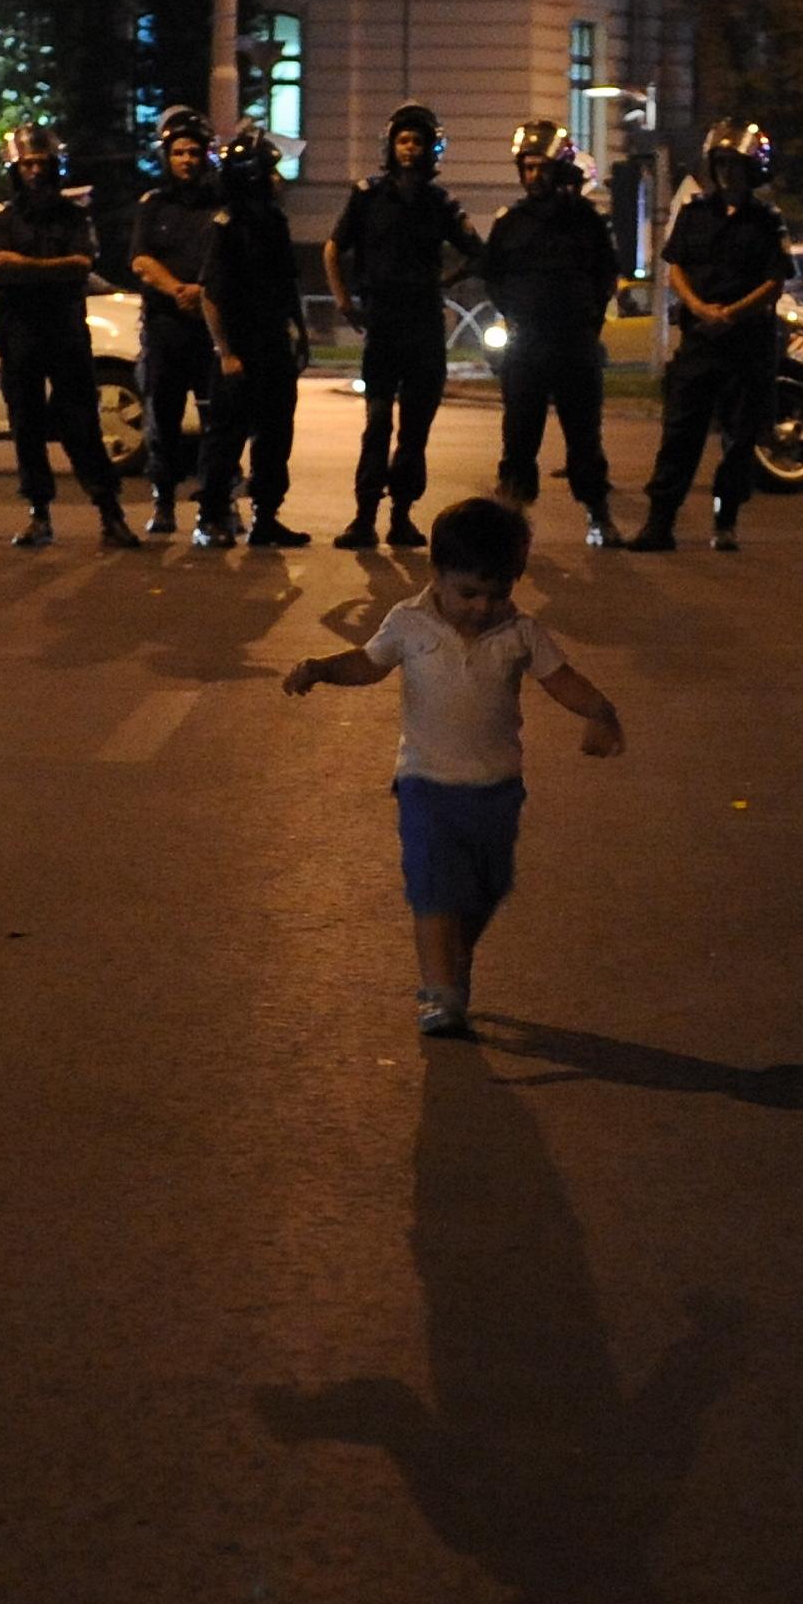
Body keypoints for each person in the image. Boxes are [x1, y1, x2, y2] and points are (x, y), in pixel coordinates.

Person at [281, 493, 625, 1040]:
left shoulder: (520, 633)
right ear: (437, 574)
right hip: (426, 784)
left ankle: (452, 959)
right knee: (436, 887)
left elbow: (562, 680)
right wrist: (322, 668)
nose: (483, 607)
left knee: (487, 887)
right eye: (468, 593)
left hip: (497, 788)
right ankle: (440, 994)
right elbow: (368, 665)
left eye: (498, 593)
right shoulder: (409, 623)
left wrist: (600, 712)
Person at [627, 120, 795, 553]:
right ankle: (659, 524)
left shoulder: (767, 222)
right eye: (720, 163)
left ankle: (726, 520)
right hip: (700, 341)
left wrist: (733, 313)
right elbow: (676, 266)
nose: (726, 173)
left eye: (734, 165)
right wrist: (701, 309)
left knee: (739, 439)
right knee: (679, 434)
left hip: (746, 346)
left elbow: (775, 282)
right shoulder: (695, 213)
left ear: (750, 169)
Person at [326, 103, 483, 550]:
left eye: (419, 142)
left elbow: (477, 252)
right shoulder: (368, 195)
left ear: (432, 148)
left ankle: (401, 516)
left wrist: (444, 281)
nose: (410, 149)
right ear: (391, 146)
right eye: (403, 141)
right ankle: (363, 517)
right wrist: (343, 302)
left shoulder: (441, 203)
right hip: (382, 323)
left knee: (415, 428)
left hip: (423, 326)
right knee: (376, 422)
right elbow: (333, 249)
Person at [0, 122, 138, 550]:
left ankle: (110, 513)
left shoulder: (75, 216)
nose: (35, 171)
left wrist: (28, 266)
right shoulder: (2, 217)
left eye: (42, 163)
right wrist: (50, 268)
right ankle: (39, 515)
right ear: (15, 168)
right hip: (18, 333)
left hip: (65, 332)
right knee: (27, 427)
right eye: (28, 163)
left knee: (81, 425)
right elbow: (1, 265)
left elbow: (80, 265)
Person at [485, 119, 624, 547]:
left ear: (559, 169)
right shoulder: (510, 221)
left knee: (584, 440)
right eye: (526, 168)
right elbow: (494, 276)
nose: (533, 176)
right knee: (519, 441)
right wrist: (517, 314)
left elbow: (605, 275)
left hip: (574, 345)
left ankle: (599, 517)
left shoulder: (585, 220)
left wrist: (585, 320)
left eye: (540, 168)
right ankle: (509, 528)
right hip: (527, 346)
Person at [195, 119, 309, 549]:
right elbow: (212, 294)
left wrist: (299, 334)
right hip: (241, 347)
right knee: (226, 436)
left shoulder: (273, 222)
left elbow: (287, 286)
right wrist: (225, 351)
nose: (279, 180)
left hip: (273, 346)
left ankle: (266, 517)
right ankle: (211, 516)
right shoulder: (229, 226)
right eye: (272, 171)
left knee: (276, 433)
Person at [128, 106, 221, 535]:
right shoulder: (154, 204)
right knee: (162, 419)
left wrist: (203, 291)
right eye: (179, 152)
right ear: (168, 156)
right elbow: (142, 259)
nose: (187, 159)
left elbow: (230, 257)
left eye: (194, 152)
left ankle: (216, 504)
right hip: (166, 329)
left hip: (213, 331)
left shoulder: (222, 203)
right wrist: (178, 290)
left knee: (217, 422)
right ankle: (163, 502)